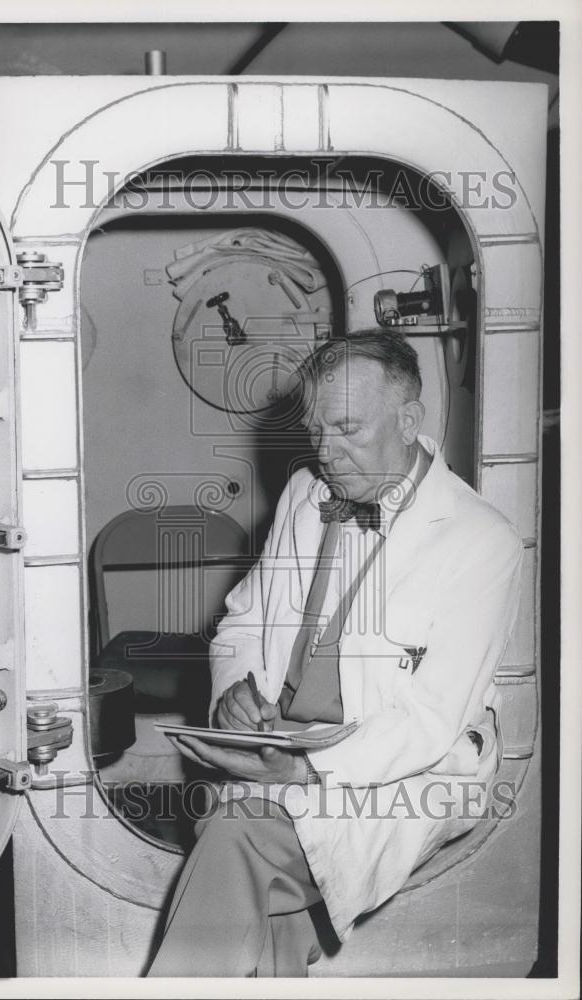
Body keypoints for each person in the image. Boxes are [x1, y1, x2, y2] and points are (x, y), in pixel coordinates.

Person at [147, 329, 523, 977]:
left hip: (405, 768)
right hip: (282, 740)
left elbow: (430, 723)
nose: (326, 452)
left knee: (235, 829)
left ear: (408, 421)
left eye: (346, 428)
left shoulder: (482, 540)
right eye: (315, 430)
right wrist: (237, 691)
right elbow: (240, 623)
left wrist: (303, 774)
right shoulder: (304, 493)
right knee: (261, 894)